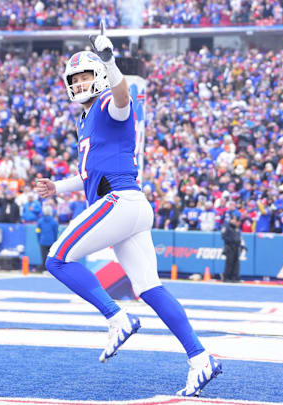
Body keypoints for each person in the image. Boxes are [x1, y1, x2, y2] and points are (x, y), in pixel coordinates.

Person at [33, 36, 221, 397]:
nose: (79, 84)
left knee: (57, 259)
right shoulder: (85, 119)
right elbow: (90, 173)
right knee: (150, 288)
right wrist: (58, 187)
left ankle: (117, 317)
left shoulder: (107, 103)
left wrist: (110, 61)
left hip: (118, 201)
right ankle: (201, 359)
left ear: (100, 75)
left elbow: (123, 99)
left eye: (86, 76)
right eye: (74, 81)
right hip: (131, 206)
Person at [36, 205, 59, 271]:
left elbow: (37, 231)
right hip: (51, 242)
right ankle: (50, 269)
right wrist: (55, 241)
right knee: (51, 257)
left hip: (42, 241)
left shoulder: (40, 221)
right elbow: (56, 232)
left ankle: (43, 268)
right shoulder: (54, 222)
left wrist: (39, 240)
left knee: (43, 256)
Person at [221, 214, 244, 282]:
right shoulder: (226, 227)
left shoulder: (236, 228)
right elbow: (224, 236)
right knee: (229, 262)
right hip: (229, 247)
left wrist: (241, 245)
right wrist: (233, 241)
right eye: (234, 220)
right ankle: (227, 277)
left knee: (236, 263)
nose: (238, 223)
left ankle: (235, 278)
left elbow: (239, 237)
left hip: (236, 247)